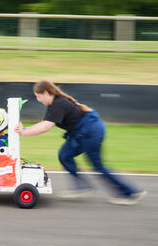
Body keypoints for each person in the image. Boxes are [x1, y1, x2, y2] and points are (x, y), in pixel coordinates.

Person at [14, 80, 147, 205]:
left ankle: (130, 193)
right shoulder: (53, 105)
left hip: (90, 132)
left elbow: (45, 127)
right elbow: (44, 123)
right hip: (83, 133)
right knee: (65, 155)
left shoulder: (58, 104)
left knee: (98, 166)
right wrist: (25, 129)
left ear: (47, 93)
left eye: (38, 96)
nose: (38, 99)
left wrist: (24, 132)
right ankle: (82, 187)